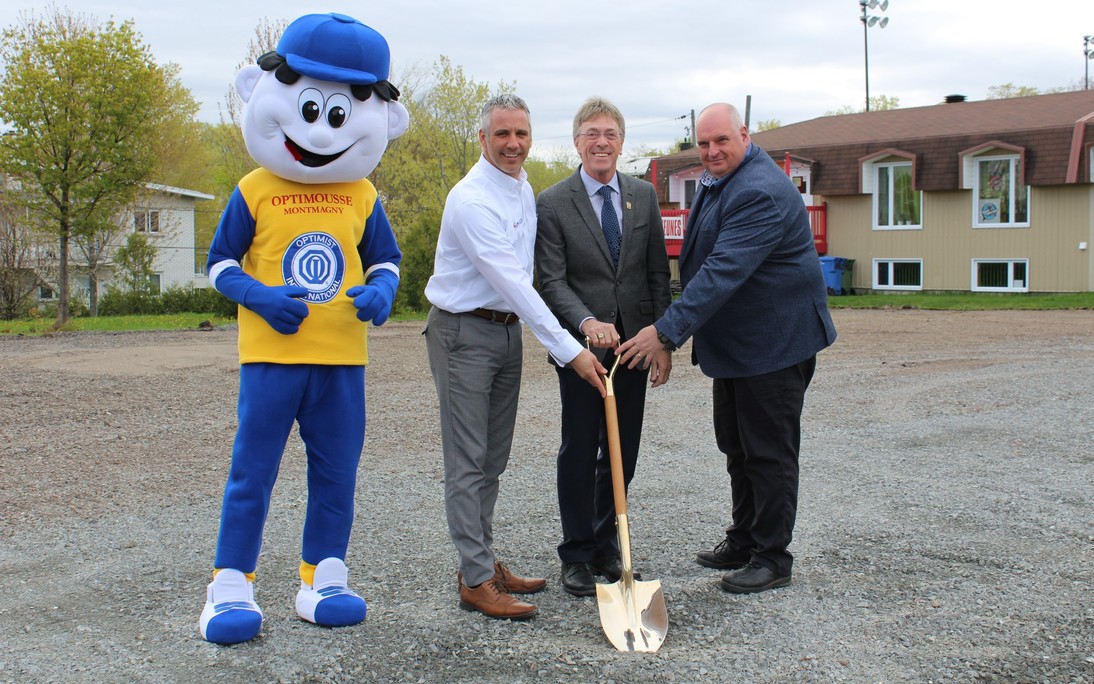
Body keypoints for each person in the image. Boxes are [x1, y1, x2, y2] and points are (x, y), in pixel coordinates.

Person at [199, 13, 410, 644]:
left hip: (342, 359)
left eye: (339, 114)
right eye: (311, 108)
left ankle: (323, 578)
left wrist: (383, 291)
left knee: (336, 474)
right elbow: (219, 264)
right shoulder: (254, 188)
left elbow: (386, 259)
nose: (320, 130)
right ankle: (230, 585)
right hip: (271, 358)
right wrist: (259, 296)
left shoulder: (362, 193)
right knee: (253, 472)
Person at [617, 102, 836, 594]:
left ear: (745, 135)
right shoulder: (722, 180)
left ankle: (772, 556)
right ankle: (745, 538)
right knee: (737, 444)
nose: (712, 151)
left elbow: (723, 271)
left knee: (768, 452)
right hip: (742, 344)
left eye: (721, 140)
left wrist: (664, 332)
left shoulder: (759, 190)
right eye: (704, 143)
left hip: (775, 343)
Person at [423, 94, 607, 620]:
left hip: (504, 334)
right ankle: (476, 580)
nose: (513, 144)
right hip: (463, 333)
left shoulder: (522, 188)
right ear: (483, 138)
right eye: (502, 134)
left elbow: (526, 281)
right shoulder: (471, 201)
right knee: (468, 460)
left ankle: (480, 561)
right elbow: (516, 284)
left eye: (521, 134)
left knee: (493, 459)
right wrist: (571, 351)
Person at [534, 97, 671, 597]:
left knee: (621, 450)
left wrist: (663, 339)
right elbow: (550, 280)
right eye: (591, 133)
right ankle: (575, 552)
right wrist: (587, 322)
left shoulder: (643, 195)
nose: (601, 142)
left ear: (621, 142)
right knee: (579, 447)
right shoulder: (553, 202)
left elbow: (657, 272)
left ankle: (605, 544)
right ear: (576, 142)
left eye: (610, 133)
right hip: (581, 350)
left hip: (634, 346)